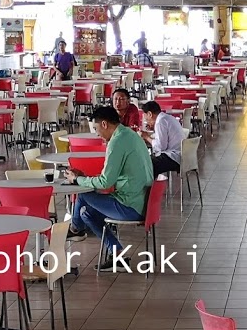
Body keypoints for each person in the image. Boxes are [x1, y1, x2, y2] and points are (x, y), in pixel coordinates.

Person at [60, 106, 154, 269]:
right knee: (85, 212)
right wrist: (83, 178)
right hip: (143, 201)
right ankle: (117, 254)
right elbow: (110, 177)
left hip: (130, 205)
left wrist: (79, 179)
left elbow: (105, 183)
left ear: (104, 124)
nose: (97, 134)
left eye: (96, 128)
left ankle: (75, 229)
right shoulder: (129, 135)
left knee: (82, 194)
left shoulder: (116, 142)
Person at [140, 100, 183, 177]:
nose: (147, 122)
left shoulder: (160, 121)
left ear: (150, 114)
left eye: (146, 119)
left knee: (147, 165)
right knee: (147, 161)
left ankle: (150, 188)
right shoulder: (167, 117)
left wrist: (146, 137)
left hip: (173, 157)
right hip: (181, 154)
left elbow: (160, 147)